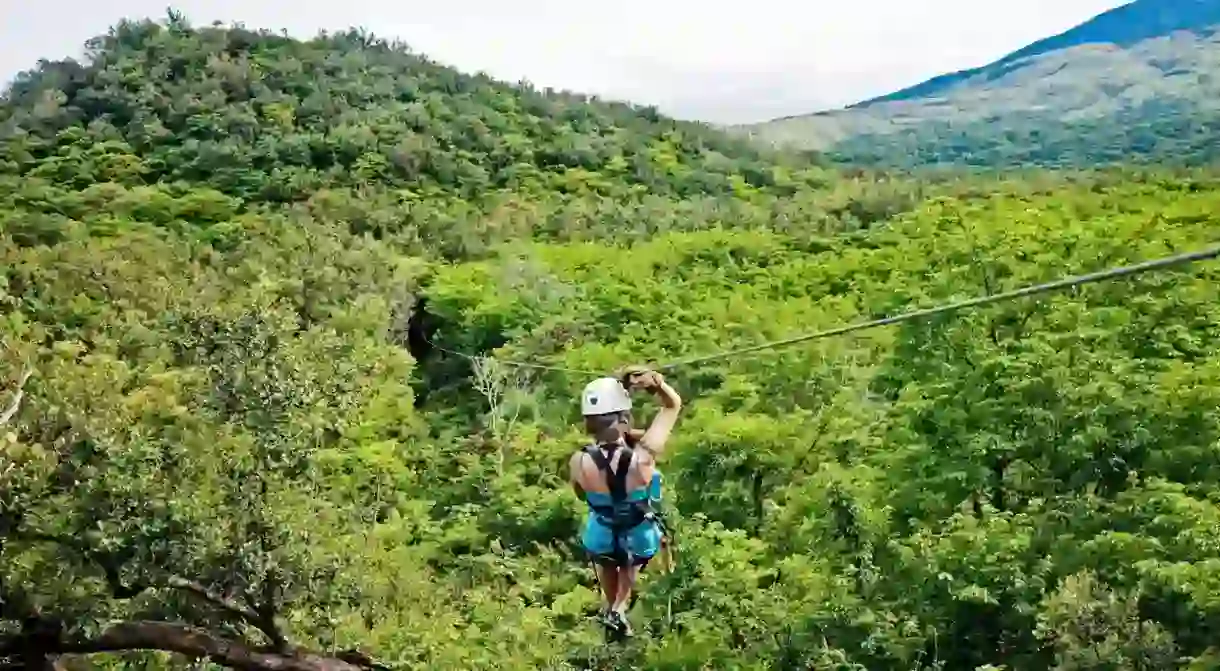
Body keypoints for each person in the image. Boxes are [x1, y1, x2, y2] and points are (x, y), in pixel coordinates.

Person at [568, 367, 682, 638]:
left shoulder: (578, 461)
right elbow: (672, 406)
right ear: (623, 419)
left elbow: (581, 495)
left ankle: (612, 607)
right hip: (638, 534)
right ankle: (619, 606)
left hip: (602, 532)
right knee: (632, 559)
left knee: (606, 557)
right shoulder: (644, 457)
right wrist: (656, 385)